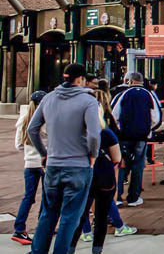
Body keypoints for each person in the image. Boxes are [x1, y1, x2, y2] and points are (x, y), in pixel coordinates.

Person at [27, 63, 101, 254]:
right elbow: (94, 134)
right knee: (70, 217)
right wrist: (93, 154)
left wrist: (44, 153)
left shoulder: (49, 98)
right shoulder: (88, 100)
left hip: (53, 164)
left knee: (48, 214)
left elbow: (32, 129)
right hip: (78, 165)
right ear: (81, 79)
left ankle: (38, 251)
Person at [68, 107, 121, 254]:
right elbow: (117, 158)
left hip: (83, 176)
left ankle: (71, 247)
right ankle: (97, 249)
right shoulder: (106, 134)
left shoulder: (75, 134)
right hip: (104, 177)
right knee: (102, 215)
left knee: (79, 214)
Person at [112, 71, 160, 207]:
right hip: (142, 137)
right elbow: (156, 117)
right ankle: (134, 197)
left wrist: (120, 130)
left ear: (129, 81)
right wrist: (148, 130)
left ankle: (118, 196)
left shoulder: (122, 95)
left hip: (124, 137)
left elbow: (114, 114)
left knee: (121, 165)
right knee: (138, 166)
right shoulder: (149, 95)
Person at [11, 90, 47, 245]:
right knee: (48, 197)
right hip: (46, 163)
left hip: (30, 163)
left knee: (28, 197)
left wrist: (29, 152)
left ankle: (19, 229)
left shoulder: (23, 120)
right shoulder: (46, 120)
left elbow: (18, 145)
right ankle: (44, 227)